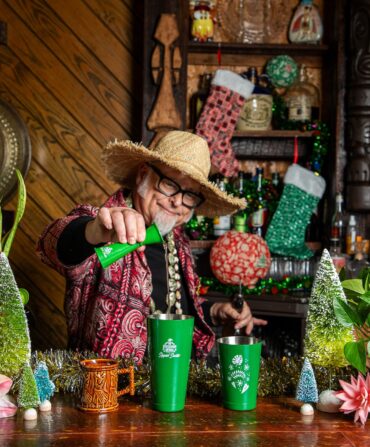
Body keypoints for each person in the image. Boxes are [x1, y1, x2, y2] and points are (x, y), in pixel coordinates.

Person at [37, 131, 267, 362]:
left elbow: (174, 309)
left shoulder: (177, 240)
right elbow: (55, 245)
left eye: (189, 195)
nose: (177, 201)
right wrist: (95, 230)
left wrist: (215, 312)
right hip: (105, 390)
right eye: (169, 184)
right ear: (143, 176)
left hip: (173, 388)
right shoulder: (102, 223)